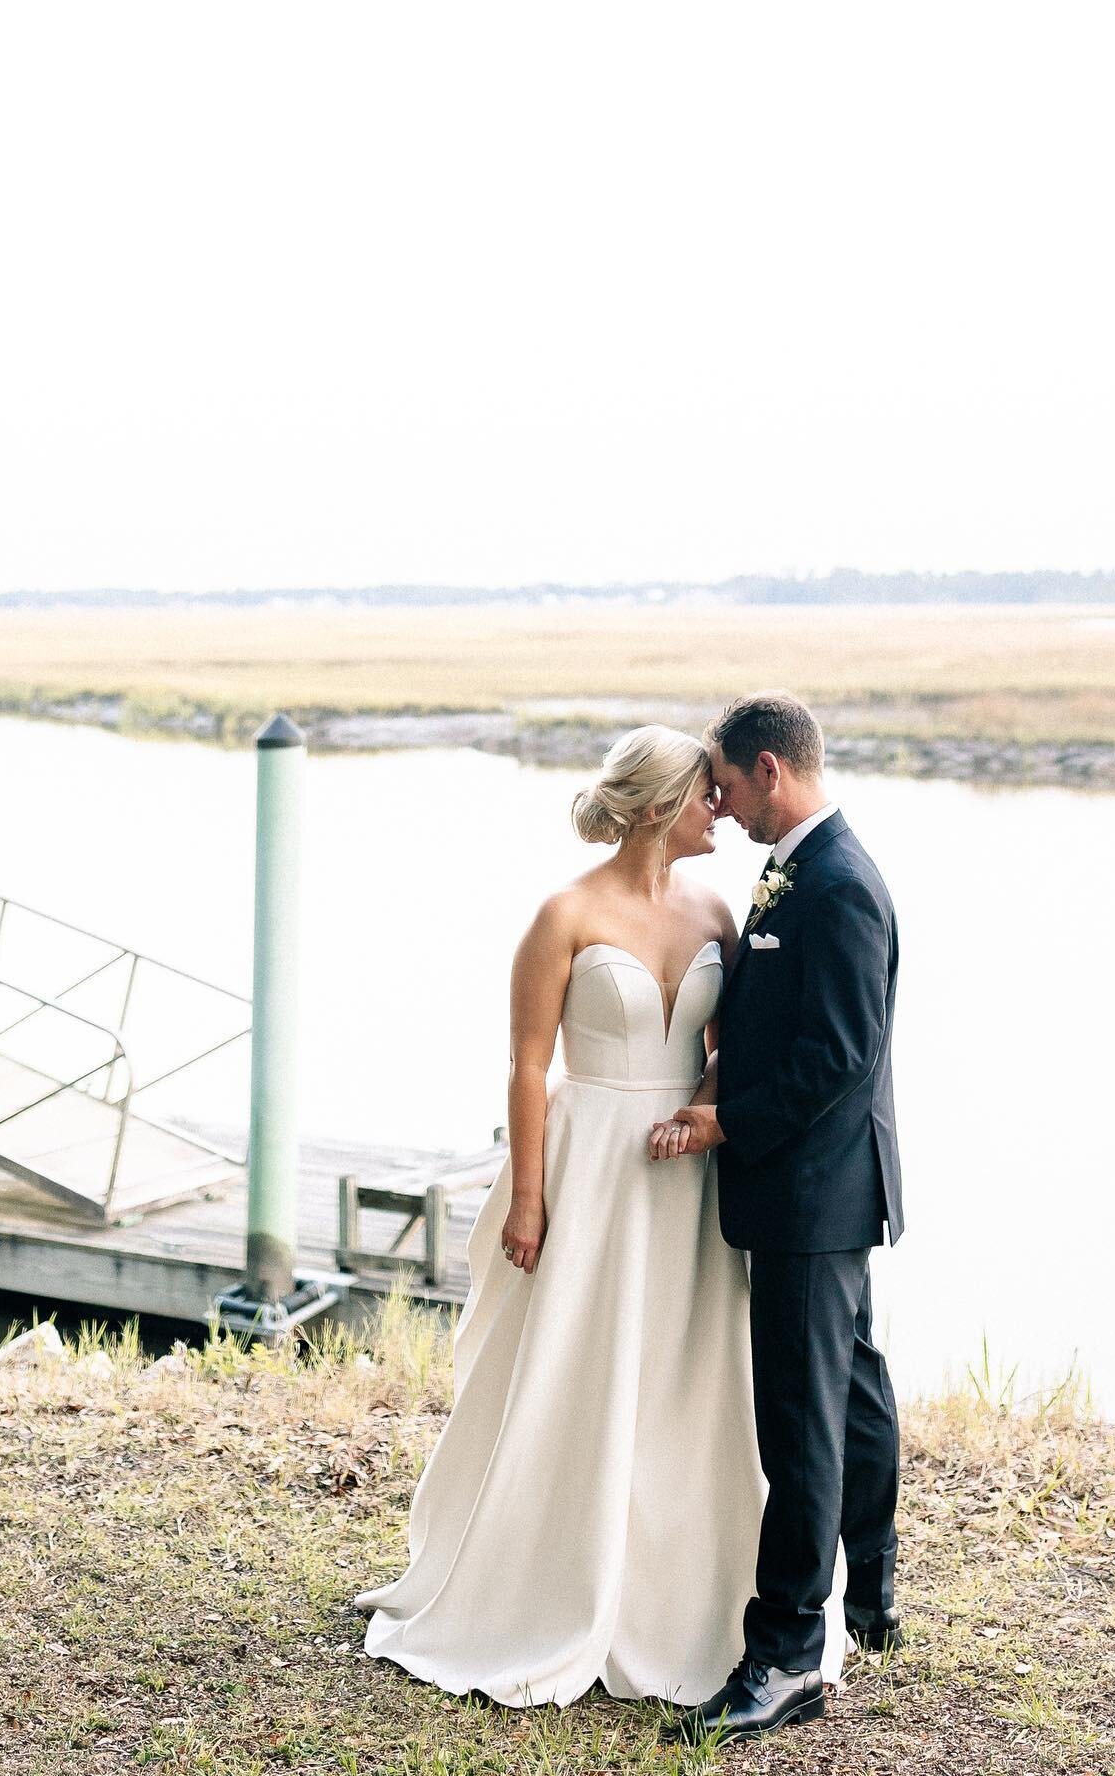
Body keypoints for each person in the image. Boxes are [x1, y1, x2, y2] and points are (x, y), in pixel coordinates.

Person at [357, 724, 846, 1707]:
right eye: (708, 795)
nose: (726, 808)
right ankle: (540, 1583)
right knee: (570, 1368)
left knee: (680, 1379)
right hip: (588, 1169)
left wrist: (708, 1107)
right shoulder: (565, 915)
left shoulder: (719, 911)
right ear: (666, 807)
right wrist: (528, 1196)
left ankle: (675, 1599)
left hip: (684, 1180)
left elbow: (730, 1050)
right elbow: (526, 1067)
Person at [652, 692, 905, 1745]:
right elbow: (784, 1019)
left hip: (811, 1188)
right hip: (821, 1187)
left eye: (723, 782)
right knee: (848, 1388)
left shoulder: (837, 885)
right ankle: (873, 1596)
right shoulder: (803, 864)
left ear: (770, 768)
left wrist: (722, 1124)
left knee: (800, 1421)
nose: (717, 801)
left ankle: (788, 1655)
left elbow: (837, 1057)